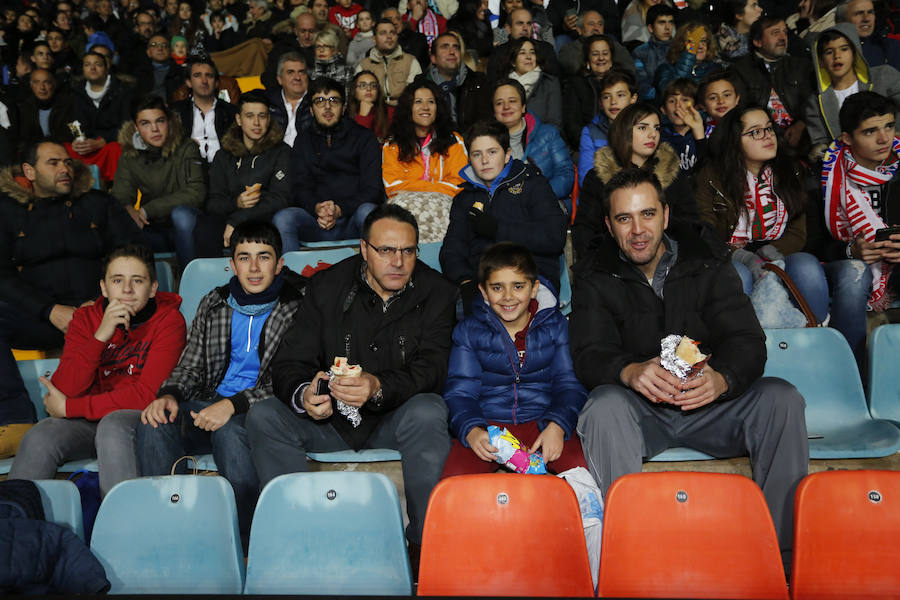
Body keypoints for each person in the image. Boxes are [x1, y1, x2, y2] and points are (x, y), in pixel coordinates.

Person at [572, 167, 809, 569]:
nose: (638, 230)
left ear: (665, 215)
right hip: (642, 412)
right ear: (609, 226)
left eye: (647, 214)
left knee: (780, 398)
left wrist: (723, 379)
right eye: (624, 219)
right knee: (603, 407)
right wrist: (628, 371)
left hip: (712, 407)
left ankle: (783, 561)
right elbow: (588, 353)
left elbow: (747, 341)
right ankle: (626, 561)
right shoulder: (595, 276)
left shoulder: (707, 263)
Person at [246, 204, 456, 570]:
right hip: (331, 421)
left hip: (394, 418)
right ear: (363, 249)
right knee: (265, 415)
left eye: (408, 250)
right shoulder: (327, 287)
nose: (398, 261)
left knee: (428, 410)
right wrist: (304, 395)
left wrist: (378, 386)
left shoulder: (437, 292)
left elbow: (433, 370)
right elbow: (291, 362)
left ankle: (426, 546)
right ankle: (298, 538)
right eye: (386, 250)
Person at [137, 220, 306, 549]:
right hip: (209, 404)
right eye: (244, 257)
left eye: (263, 257)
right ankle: (168, 533)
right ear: (231, 264)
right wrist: (169, 395)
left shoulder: (297, 307)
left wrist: (233, 405)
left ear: (280, 263)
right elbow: (191, 364)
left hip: (260, 411)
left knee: (231, 431)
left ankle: (246, 542)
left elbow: (290, 379)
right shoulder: (214, 303)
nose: (254, 267)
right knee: (155, 421)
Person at [9, 245, 185, 496]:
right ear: (104, 287)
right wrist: (101, 335)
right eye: (117, 280)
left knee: (112, 425)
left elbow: (147, 395)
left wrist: (72, 407)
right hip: (89, 421)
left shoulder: (169, 321)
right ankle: (15, 526)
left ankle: (121, 530)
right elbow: (64, 389)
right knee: (41, 435)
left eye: (137, 280)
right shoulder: (85, 319)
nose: (126, 290)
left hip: (138, 420)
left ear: (153, 288)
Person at [0, 140, 138, 452]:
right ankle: (15, 419)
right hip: (42, 316)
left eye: (67, 162)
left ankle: (120, 417)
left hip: (100, 313)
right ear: (29, 171)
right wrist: (49, 310)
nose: (65, 168)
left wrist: (103, 303)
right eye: (53, 163)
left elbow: (133, 253)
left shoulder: (98, 203)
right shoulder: (8, 211)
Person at [440, 242, 586, 478]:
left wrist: (558, 425)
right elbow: (460, 392)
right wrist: (471, 430)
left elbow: (568, 385)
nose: (508, 297)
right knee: (455, 481)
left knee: (580, 471)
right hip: (488, 426)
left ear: (534, 288)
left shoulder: (557, 326)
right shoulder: (469, 331)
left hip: (543, 422)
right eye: (497, 287)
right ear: (484, 292)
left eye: (518, 286)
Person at [696, 106, 833, 329]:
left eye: (769, 129)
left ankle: (818, 336)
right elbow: (705, 232)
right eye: (755, 132)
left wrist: (774, 251)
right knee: (738, 275)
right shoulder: (712, 176)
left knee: (807, 265)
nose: (768, 136)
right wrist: (741, 256)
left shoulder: (792, 170)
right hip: (731, 255)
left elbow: (798, 232)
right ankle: (747, 345)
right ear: (734, 140)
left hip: (779, 250)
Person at [441, 119, 567, 310]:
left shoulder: (532, 183)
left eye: (492, 152)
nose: (484, 161)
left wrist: (497, 229)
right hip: (483, 283)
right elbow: (452, 250)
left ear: (507, 154)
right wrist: (465, 280)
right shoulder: (464, 199)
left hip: (532, 279)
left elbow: (554, 237)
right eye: (477, 154)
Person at [821, 91, 898, 360]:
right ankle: (850, 371)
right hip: (848, 269)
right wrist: (851, 251)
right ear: (847, 138)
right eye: (870, 131)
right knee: (855, 273)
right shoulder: (828, 178)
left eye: (889, 126)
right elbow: (814, 245)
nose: (884, 138)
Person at [574, 102, 694, 259]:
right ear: (624, 132)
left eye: (656, 128)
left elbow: (690, 223)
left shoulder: (673, 174)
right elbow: (585, 230)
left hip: (668, 262)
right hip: (612, 264)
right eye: (643, 128)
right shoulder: (598, 178)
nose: (653, 134)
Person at [274, 78, 381, 250]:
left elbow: (372, 189)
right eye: (320, 101)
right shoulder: (303, 140)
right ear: (311, 109)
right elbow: (298, 187)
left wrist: (339, 209)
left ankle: (375, 275)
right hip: (315, 221)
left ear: (344, 107)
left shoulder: (364, 138)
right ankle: (291, 276)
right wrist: (317, 207)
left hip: (352, 218)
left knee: (369, 212)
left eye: (334, 100)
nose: (327, 107)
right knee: (284, 218)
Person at [112, 96, 207, 268]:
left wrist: (147, 210)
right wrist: (129, 210)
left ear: (169, 122)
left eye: (160, 121)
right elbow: (120, 196)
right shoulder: (130, 154)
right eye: (145, 124)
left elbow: (196, 192)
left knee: (182, 215)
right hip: (155, 228)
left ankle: (190, 283)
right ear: (136, 127)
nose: (154, 129)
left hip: (192, 225)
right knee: (121, 225)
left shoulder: (186, 147)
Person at [205, 91, 290, 258]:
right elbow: (213, 203)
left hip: (264, 220)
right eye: (250, 116)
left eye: (262, 116)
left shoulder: (282, 151)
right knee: (205, 225)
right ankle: (207, 277)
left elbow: (281, 198)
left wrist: (237, 220)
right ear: (238, 119)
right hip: (229, 217)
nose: (256, 123)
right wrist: (236, 203)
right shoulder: (223, 155)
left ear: (269, 119)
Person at [382, 79, 467, 243]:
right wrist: (437, 186)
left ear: (438, 108)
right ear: (409, 108)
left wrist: (416, 186)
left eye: (431, 102)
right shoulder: (392, 144)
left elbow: (460, 184)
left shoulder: (454, 140)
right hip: (406, 207)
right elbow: (393, 187)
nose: (425, 107)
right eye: (418, 102)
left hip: (445, 206)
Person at [805, 23, 900, 158]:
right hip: (850, 168)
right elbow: (820, 143)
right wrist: (822, 150)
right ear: (820, 61)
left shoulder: (884, 75)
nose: (837, 56)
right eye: (829, 52)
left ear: (855, 53)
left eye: (844, 49)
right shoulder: (815, 101)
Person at [731, 16, 814, 148]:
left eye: (785, 32)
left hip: (802, 139)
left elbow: (811, 102)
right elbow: (741, 111)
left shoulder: (801, 66)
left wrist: (801, 124)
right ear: (758, 41)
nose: (783, 37)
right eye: (775, 33)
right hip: (759, 140)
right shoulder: (740, 70)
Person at [492, 79, 574, 202]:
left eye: (512, 101)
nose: (506, 106)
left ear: (523, 106)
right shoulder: (487, 142)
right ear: (494, 111)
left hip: (548, 202)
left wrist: (537, 195)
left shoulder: (548, 134)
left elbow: (565, 175)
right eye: (499, 103)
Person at [65, 50, 130, 184]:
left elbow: (127, 126)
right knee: (65, 149)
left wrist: (102, 141)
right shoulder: (76, 93)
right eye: (87, 65)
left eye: (98, 64)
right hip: (87, 144)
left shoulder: (122, 91)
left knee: (115, 150)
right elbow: (73, 123)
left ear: (107, 69)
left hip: (110, 143)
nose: (92, 68)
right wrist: (77, 140)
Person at [170, 55, 238, 164]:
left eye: (209, 76)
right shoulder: (176, 111)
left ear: (216, 83)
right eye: (197, 75)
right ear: (188, 82)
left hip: (223, 169)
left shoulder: (231, 112)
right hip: (187, 168)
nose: (204, 81)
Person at [578, 70, 638, 186]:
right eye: (606, 97)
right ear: (600, 103)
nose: (613, 102)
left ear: (633, 99)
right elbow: (585, 179)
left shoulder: (644, 129)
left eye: (620, 95)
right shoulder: (591, 132)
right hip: (601, 196)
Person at [425, 31, 492, 131]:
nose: (452, 52)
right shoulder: (421, 85)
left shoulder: (478, 83)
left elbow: (486, 122)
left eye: (456, 47)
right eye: (445, 47)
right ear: (433, 58)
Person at [562, 34, 620, 149]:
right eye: (595, 54)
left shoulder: (623, 82)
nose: (601, 58)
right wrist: (592, 145)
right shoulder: (575, 84)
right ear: (587, 59)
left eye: (605, 53)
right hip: (588, 146)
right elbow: (572, 127)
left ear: (611, 58)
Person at [356, 18, 422, 106]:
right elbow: (357, 95)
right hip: (374, 110)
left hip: (403, 109)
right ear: (374, 39)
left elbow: (417, 93)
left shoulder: (410, 61)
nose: (389, 36)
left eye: (392, 33)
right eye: (383, 33)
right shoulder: (364, 65)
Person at [487, 8, 561, 81]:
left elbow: (553, 80)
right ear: (509, 28)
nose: (525, 28)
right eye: (520, 23)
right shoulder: (498, 53)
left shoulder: (545, 49)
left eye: (529, 24)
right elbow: (493, 83)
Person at [558, 10, 635, 78]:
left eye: (600, 24)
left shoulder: (615, 46)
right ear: (579, 30)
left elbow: (629, 69)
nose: (596, 28)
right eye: (591, 24)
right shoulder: (569, 48)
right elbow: (573, 68)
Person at [654, 22, 722, 98]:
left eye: (703, 41)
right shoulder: (665, 69)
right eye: (692, 41)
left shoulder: (715, 70)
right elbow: (671, 93)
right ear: (681, 44)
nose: (699, 46)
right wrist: (690, 53)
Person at [506, 37, 562, 129]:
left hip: (542, 140)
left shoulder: (549, 82)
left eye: (532, 52)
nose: (528, 57)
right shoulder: (504, 86)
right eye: (522, 53)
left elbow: (554, 122)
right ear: (513, 62)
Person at [17, 68, 73, 158]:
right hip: (36, 155)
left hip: (63, 152)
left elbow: (73, 133)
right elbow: (24, 141)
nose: (42, 87)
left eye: (46, 82)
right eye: (37, 82)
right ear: (31, 85)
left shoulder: (67, 106)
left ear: (54, 85)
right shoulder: (24, 109)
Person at [659, 78, 707, 173]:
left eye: (685, 100)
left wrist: (699, 134)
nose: (678, 105)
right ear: (663, 109)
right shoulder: (658, 137)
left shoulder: (709, 131)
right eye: (672, 101)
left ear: (696, 107)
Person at [837, 0, 900, 71]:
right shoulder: (829, 52)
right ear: (841, 21)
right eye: (859, 13)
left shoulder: (892, 47)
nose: (866, 19)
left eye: (870, 12)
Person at [266, 51, 312, 147]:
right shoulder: (268, 104)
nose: (297, 77)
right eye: (290, 72)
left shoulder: (317, 103)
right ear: (279, 79)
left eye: (301, 72)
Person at [633, 4, 676, 100]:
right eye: (662, 23)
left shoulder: (680, 49)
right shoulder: (640, 52)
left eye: (670, 22)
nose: (667, 27)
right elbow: (641, 84)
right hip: (652, 104)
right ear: (650, 28)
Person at [134, 33, 184, 103]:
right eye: (154, 45)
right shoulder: (140, 72)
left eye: (164, 45)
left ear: (170, 52)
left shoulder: (180, 73)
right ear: (148, 52)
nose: (160, 48)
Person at [347, 69, 393, 139]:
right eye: (363, 85)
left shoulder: (390, 112)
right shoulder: (346, 114)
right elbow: (355, 143)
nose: (369, 88)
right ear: (354, 91)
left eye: (373, 85)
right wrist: (362, 116)